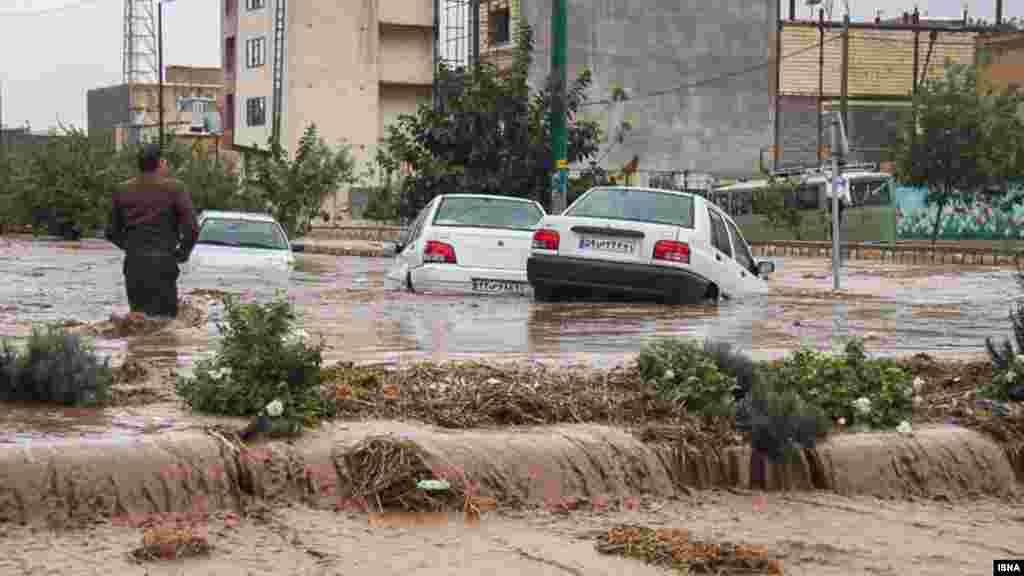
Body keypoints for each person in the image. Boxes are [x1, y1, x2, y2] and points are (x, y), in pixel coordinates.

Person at [105, 143, 198, 318]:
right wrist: (182, 254)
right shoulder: (175, 188)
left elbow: (110, 232)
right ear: (161, 163)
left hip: (134, 266)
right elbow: (192, 229)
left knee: (138, 323)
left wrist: (131, 248)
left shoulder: (122, 189)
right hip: (164, 264)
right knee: (165, 326)